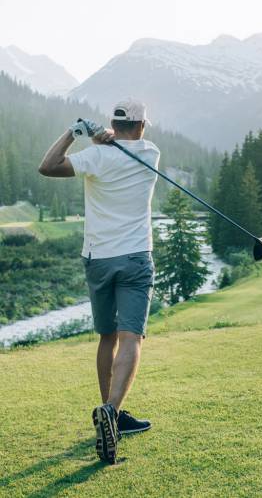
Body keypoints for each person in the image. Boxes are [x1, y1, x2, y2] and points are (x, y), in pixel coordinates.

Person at [38, 98, 160, 464]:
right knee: (131, 336)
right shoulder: (151, 153)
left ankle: (114, 415)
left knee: (108, 336)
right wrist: (105, 139)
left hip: (98, 259)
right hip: (136, 257)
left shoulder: (95, 157)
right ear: (140, 126)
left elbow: (47, 166)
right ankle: (111, 411)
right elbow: (127, 146)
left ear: (112, 123)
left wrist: (75, 133)